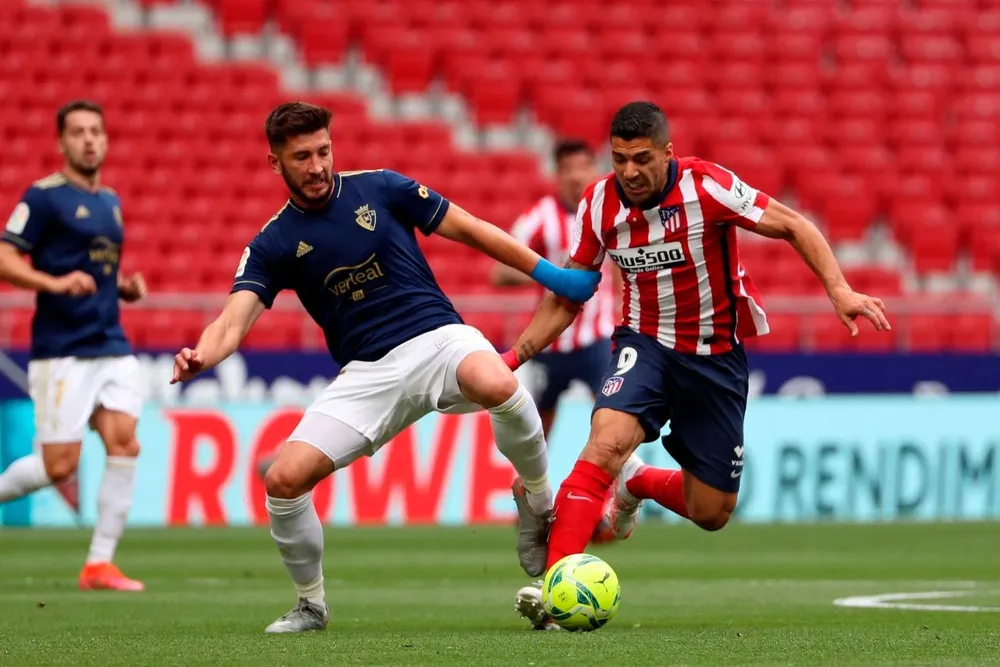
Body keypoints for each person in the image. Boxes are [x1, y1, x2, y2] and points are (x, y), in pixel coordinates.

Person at [168, 101, 601, 634]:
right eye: (301, 156)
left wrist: (552, 276)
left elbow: (470, 229)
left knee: (498, 382)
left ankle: (536, 499)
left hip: (438, 338)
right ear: (274, 163)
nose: (317, 165)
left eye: (323, 151)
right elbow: (231, 323)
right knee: (283, 479)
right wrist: (202, 355)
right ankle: (311, 604)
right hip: (367, 375)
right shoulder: (273, 242)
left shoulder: (381, 187)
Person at [505, 101, 891, 629]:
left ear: (668, 152)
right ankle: (553, 593)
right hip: (645, 345)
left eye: (641, 159)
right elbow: (570, 294)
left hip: (714, 357)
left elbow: (793, 224)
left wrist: (839, 289)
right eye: (619, 160)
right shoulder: (598, 204)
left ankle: (636, 484)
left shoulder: (707, 186)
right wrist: (517, 353)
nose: (630, 172)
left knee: (711, 512)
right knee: (605, 443)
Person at [0, 100, 148, 591]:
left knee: (124, 441)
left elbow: (100, 271)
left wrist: (122, 287)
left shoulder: (111, 201)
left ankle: (99, 564)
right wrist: (54, 283)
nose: (89, 140)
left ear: (106, 140)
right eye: (79, 132)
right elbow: (4, 258)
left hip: (111, 343)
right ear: (61, 142)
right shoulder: (43, 199)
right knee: (57, 466)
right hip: (62, 350)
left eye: (96, 131)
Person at [491, 139, 616, 439]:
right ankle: (535, 483)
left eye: (583, 167)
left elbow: (624, 268)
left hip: (596, 338)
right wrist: (552, 274)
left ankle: (614, 482)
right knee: (537, 426)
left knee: (612, 418)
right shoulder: (539, 218)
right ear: (556, 175)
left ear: (594, 171)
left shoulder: (609, 212)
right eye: (567, 169)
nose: (575, 176)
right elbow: (500, 273)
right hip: (550, 341)